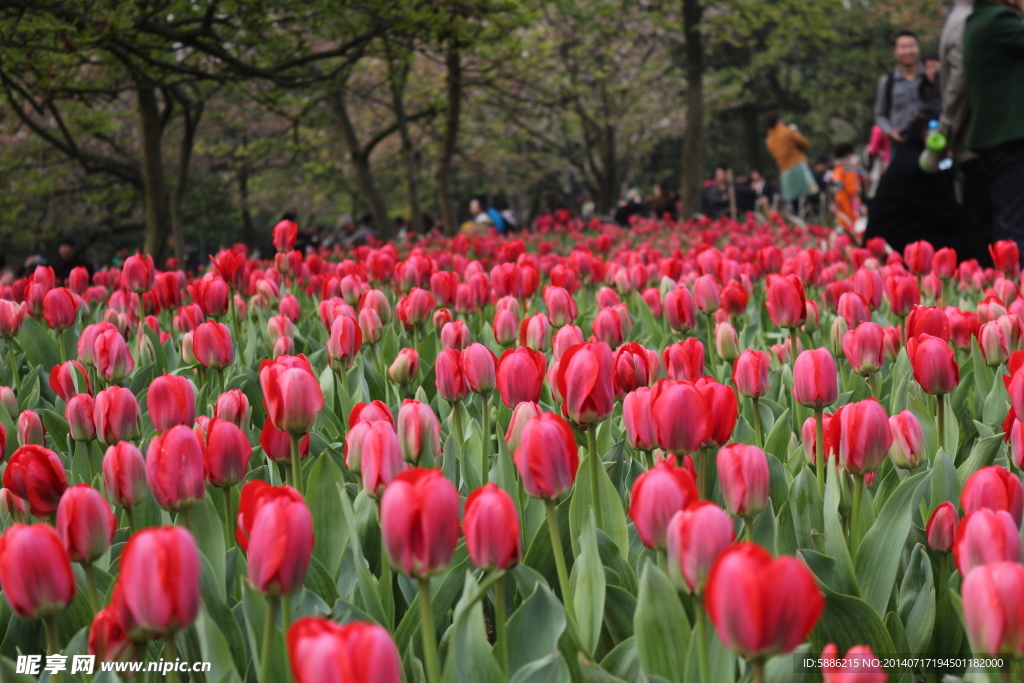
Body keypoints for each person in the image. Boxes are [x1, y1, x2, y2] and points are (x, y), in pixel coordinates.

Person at [864, 108, 987, 262]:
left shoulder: (905, 157)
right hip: (895, 248)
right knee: (972, 245)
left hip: (899, 239)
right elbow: (947, 214)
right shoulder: (916, 168)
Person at [964, 0, 1024, 260]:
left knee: (1007, 217)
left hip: (994, 137)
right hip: (1010, 137)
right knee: (1015, 222)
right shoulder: (999, 20)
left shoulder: (976, 20)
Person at [939, 0, 994, 266]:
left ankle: (987, 281)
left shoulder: (963, 19)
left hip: (974, 140)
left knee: (981, 221)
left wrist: (947, 128)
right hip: (975, 138)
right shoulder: (963, 17)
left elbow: (959, 81)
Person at [874, 31, 926, 146]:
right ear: (895, 52)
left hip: (930, 142)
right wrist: (890, 132)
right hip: (901, 145)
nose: (908, 51)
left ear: (918, 48)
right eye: (903, 47)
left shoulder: (931, 76)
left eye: (911, 46)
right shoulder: (888, 81)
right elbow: (880, 114)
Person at [764, 112, 819, 212]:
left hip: (785, 172)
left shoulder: (769, 140)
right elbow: (805, 145)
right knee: (812, 196)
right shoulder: (787, 131)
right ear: (779, 120)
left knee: (795, 202)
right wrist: (797, 134)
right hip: (799, 167)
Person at [830, 143, 861, 233]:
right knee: (850, 222)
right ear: (847, 154)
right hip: (846, 197)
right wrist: (853, 193)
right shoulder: (844, 166)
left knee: (847, 221)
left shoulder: (838, 166)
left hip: (842, 196)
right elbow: (848, 183)